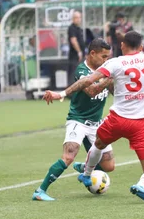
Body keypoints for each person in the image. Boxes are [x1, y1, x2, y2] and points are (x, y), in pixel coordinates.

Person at [42, 22, 144, 203]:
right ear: (142, 47)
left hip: (117, 119)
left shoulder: (115, 63)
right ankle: (141, 186)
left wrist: (61, 93)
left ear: (122, 46)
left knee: (98, 144)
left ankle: (87, 173)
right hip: (141, 123)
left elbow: (88, 82)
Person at [32, 39, 115, 201]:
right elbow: (91, 91)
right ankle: (40, 191)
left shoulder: (104, 70)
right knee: (69, 156)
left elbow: (112, 90)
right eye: (103, 56)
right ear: (92, 54)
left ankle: (86, 168)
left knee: (109, 166)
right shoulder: (82, 70)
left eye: (108, 57)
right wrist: (110, 78)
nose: (106, 60)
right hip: (78, 120)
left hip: (97, 123)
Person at [67, 11, 85, 86]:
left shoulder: (78, 29)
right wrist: (79, 52)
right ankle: (71, 92)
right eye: (76, 18)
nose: (78, 19)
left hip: (81, 54)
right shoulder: (72, 28)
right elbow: (73, 41)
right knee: (73, 74)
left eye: (79, 17)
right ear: (73, 19)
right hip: (75, 55)